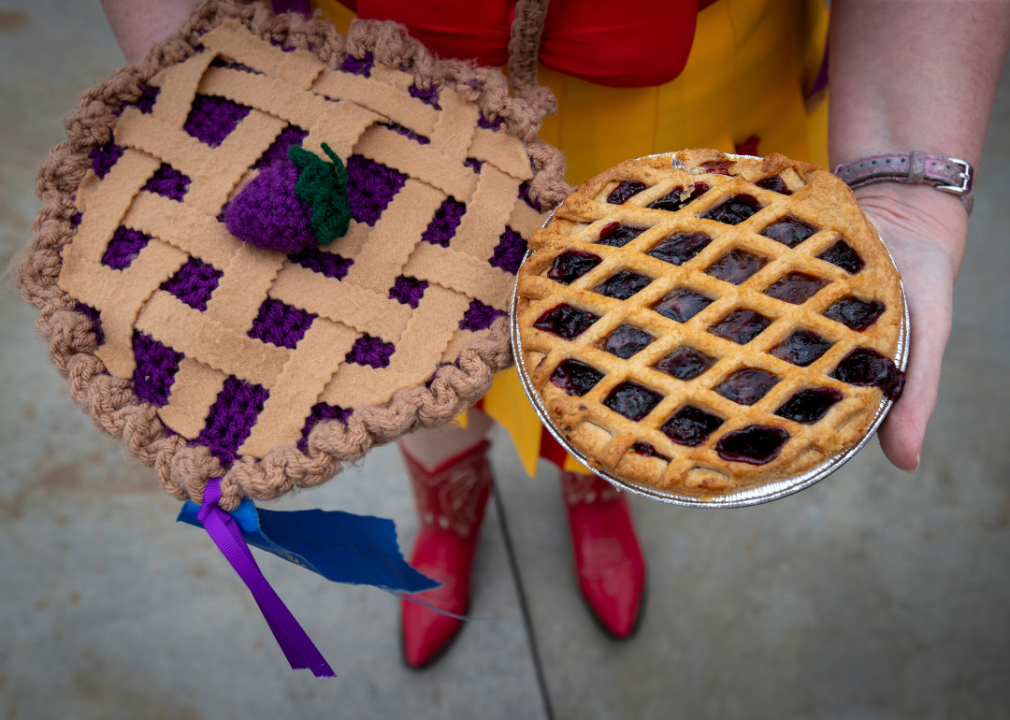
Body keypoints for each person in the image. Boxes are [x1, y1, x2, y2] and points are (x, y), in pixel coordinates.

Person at [100, 0, 1010, 669]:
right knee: (394, 366)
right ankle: (446, 511)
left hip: (687, 99)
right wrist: (212, 104)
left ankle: (597, 486)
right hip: (372, 94)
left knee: (648, 366)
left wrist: (908, 185)